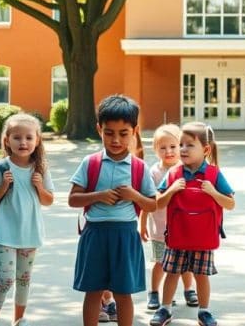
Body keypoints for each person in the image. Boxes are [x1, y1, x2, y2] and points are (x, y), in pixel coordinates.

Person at [69, 95, 157, 326]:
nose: (116, 139)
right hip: (95, 234)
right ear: (99, 129)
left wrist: (134, 196)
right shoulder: (90, 162)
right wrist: (98, 196)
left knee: (123, 293)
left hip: (125, 235)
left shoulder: (139, 167)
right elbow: (73, 199)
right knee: (93, 291)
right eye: (109, 133)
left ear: (135, 131)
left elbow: (152, 204)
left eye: (123, 133)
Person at [149, 123, 235, 326]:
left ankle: (204, 311)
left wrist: (214, 192)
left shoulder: (214, 174)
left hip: (203, 238)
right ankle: (165, 308)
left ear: (205, 150)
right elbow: (157, 203)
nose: (183, 149)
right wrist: (170, 191)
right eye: (181, 144)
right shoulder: (173, 174)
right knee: (172, 273)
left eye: (189, 145)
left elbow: (230, 203)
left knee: (201, 276)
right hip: (177, 236)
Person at [0, 113, 56, 326]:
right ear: (7, 140)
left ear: (37, 140)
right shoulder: (1, 167)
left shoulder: (40, 168)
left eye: (28, 137)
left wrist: (40, 187)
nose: (23, 142)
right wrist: (4, 186)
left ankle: (19, 320)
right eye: (17, 137)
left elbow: (48, 200)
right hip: (5, 232)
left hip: (30, 232)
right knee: (6, 279)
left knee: (23, 280)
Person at [139, 124, 197, 310]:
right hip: (160, 229)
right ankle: (154, 292)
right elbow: (147, 201)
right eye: (162, 148)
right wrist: (142, 224)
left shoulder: (187, 170)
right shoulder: (154, 172)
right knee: (160, 262)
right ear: (155, 150)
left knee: (185, 264)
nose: (169, 151)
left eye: (173, 146)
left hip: (184, 228)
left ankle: (189, 289)